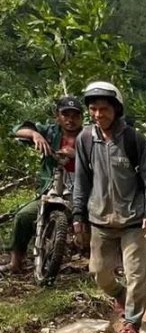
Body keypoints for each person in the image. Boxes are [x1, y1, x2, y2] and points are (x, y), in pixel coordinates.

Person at [73, 82, 146, 333]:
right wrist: (78, 215)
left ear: (116, 109)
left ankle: (132, 321)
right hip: (99, 220)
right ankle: (120, 295)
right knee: (99, 273)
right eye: (93, 109)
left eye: (104, 109)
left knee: (136, 273)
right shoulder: (86, 139)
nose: (98, 115)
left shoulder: (134, 140)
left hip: (133, 219)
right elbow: (81, 180)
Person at [2, 95, 85, 275]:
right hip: (51, 189)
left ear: (81, 118)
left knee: (97, 219)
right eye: (66, 115)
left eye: (75, 116)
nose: (70, 120)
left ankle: (103, 263)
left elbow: (102, 159)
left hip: (82, 190)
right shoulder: (51, 132)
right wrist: (34, 134)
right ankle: (15, 262)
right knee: (23, 216)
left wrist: (76, 155)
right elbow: (17, 129)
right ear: (58, 116)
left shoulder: (88, 136)